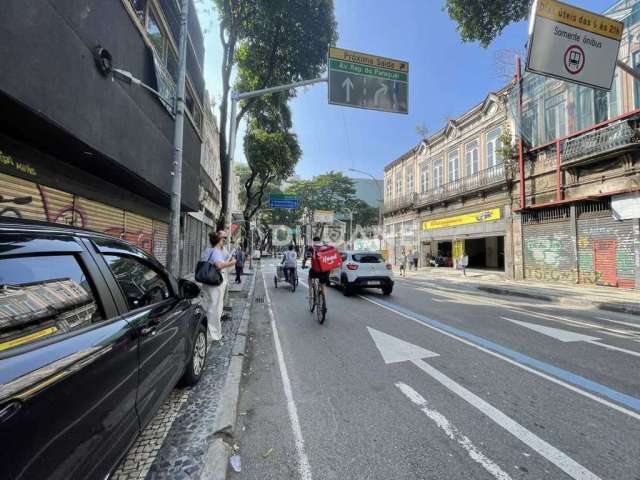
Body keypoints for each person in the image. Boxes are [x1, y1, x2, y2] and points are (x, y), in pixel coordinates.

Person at [200, 231, 236, 341]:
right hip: (215, 283)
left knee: (207, 306)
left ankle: (206, 331)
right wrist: (232, 262)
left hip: (206, 281)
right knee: (215, 309)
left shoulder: (208, 250)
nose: (224, 240)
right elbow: (219, 265)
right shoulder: (215, 251)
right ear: (219, 240)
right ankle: (214, 335)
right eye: (223, 238)